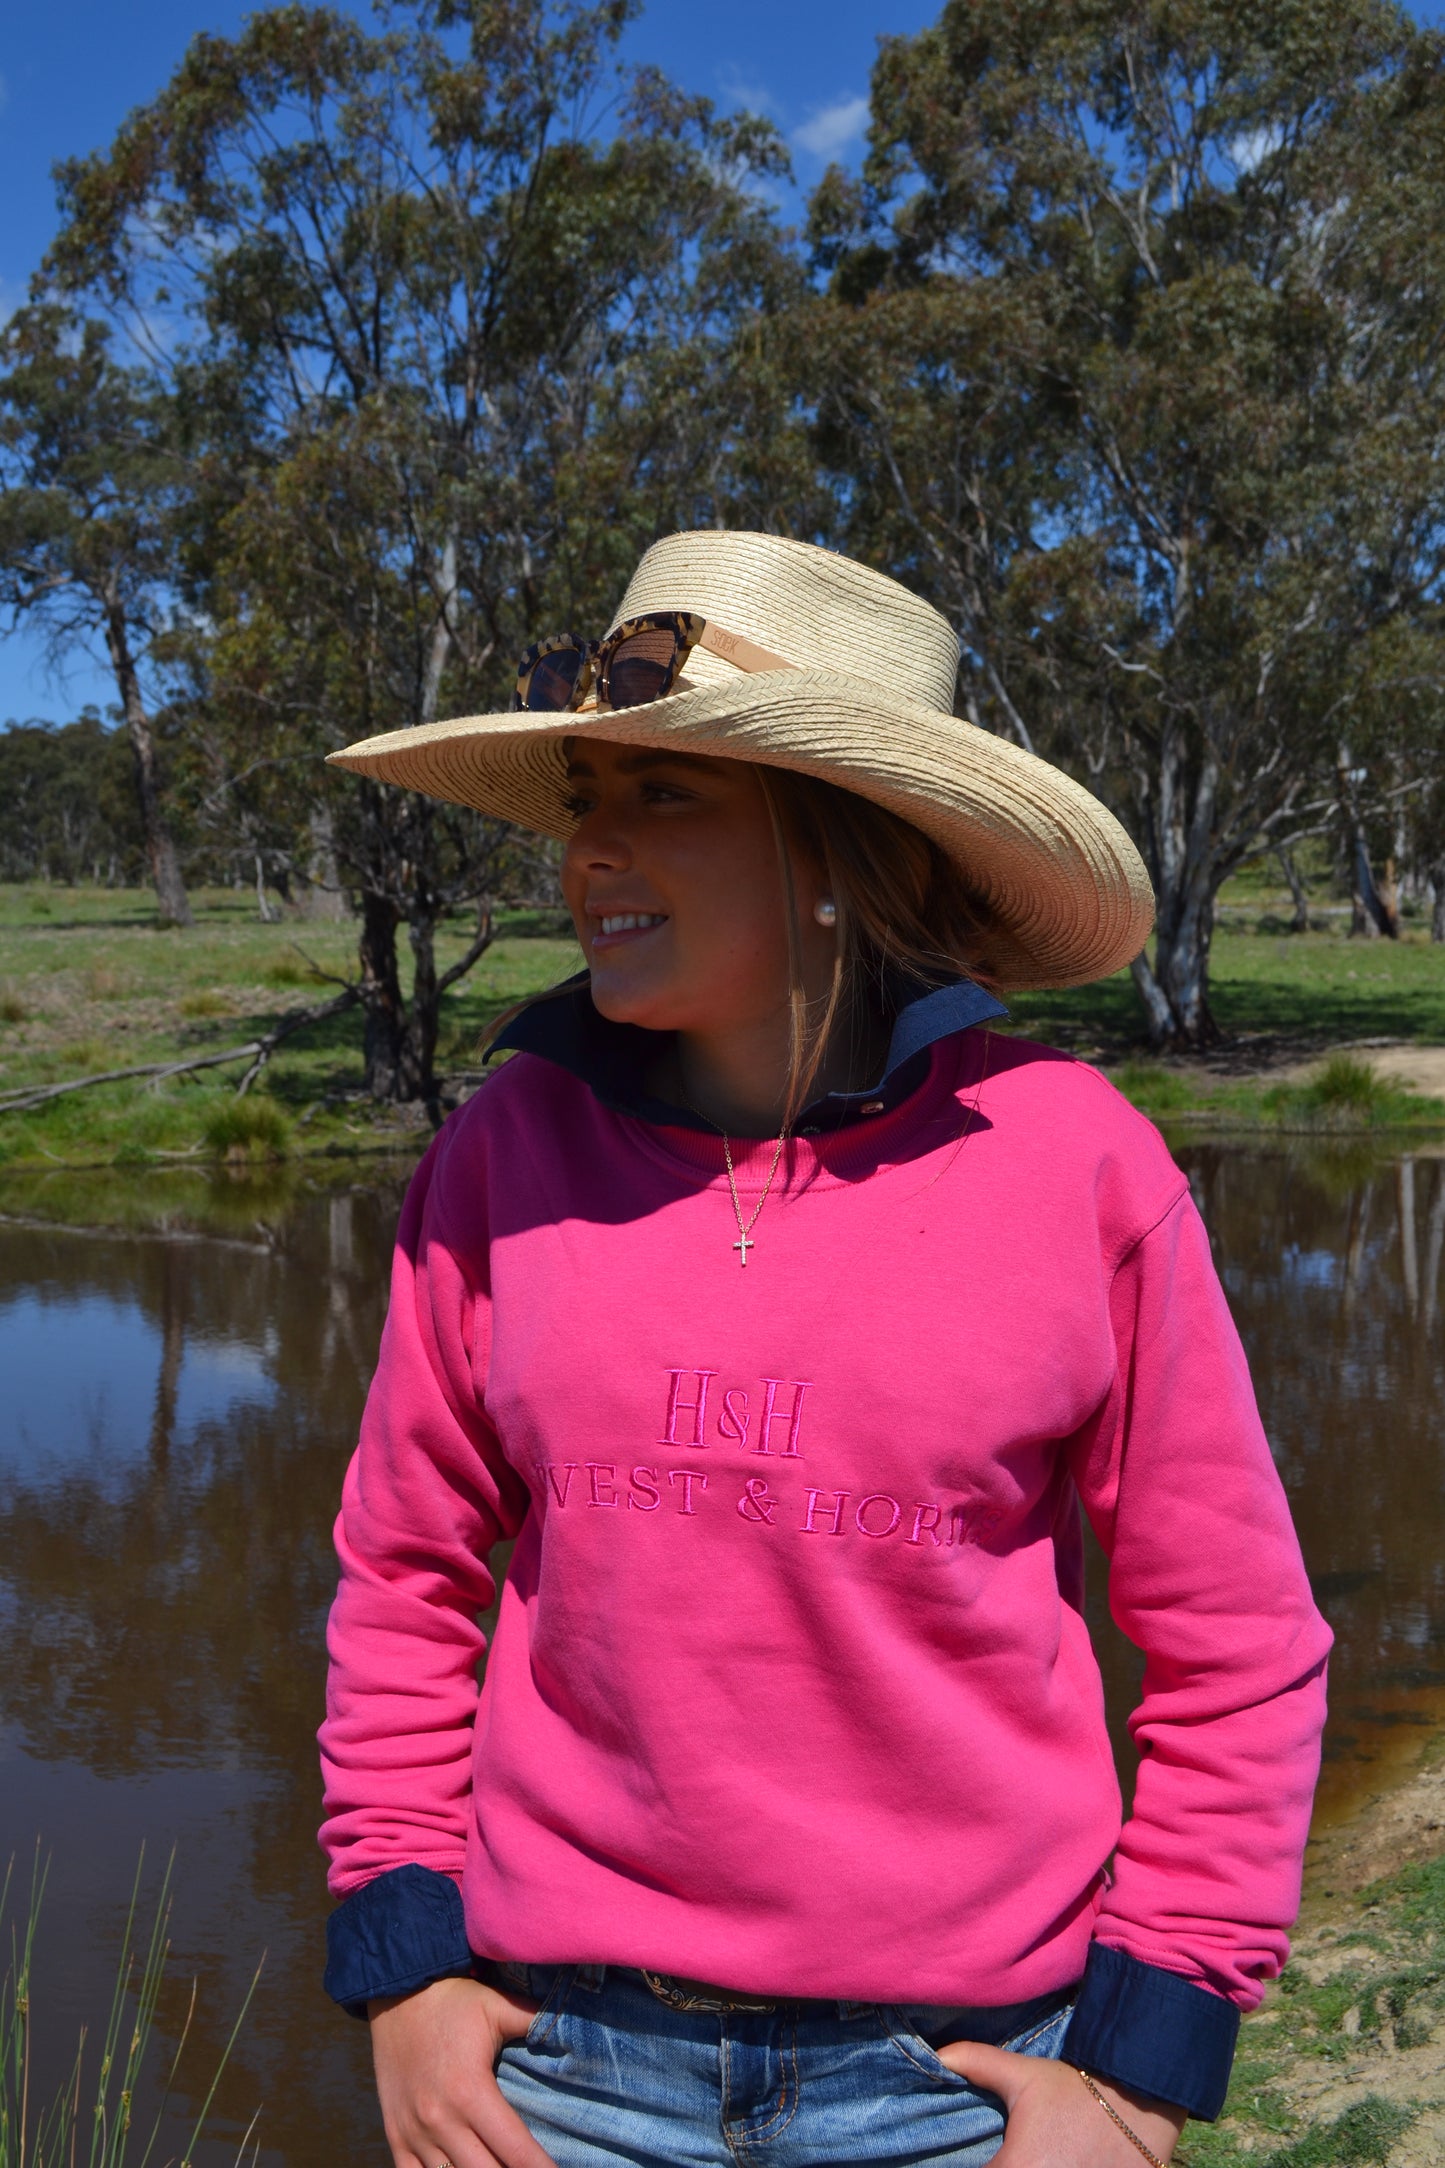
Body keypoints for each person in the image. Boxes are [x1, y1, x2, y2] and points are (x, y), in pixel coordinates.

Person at [317, 530, 1330, 2168]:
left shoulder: (1074, 1166)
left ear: (842, 853)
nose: (592, 851)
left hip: (961, 2092)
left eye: (666, 797)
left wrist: (1143, 2072)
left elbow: (1236, 1650)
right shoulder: (506, 1152)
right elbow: (401, 1579)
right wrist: (403, 1966)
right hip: (552, 2073)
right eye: (587, 799)